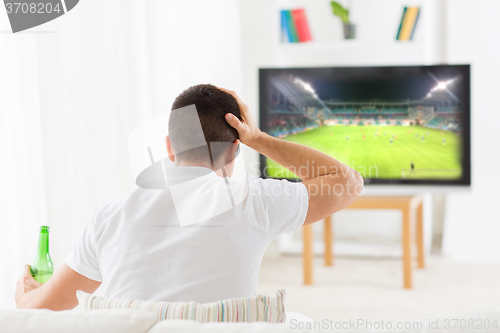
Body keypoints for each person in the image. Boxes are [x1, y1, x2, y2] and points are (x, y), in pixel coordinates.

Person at [15, 84, 363, 310]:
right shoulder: (256, 200)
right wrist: (257, 138)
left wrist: (25, 296)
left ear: (168, 147)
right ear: (234, 152)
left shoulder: (111, 214)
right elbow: (348, 183)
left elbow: (43, 308)